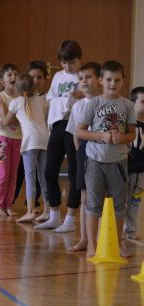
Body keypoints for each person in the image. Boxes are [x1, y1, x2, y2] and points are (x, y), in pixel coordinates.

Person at [75, 60, 136, 259]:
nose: (112, 84)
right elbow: (80, 131)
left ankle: (116, 244)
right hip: (95, 161)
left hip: (119, 162)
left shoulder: (128, 105)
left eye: (117, 80)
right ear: (101, 80)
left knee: (119, 205)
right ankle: (92, 246)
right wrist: (101, 136)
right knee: (93, 204)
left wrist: (122, 138)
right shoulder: (93, 103)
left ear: (123, 81)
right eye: (109, 79)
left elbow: (132, 134)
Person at [38, 40, 84, 231]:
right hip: (58, 124)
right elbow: (50, 99)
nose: (68, 66)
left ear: (79, 59)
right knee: (50, 170)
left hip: (76, 125)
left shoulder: (83, 76)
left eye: (71, 62)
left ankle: (70, 219)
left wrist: (81, 96)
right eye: (64, 62)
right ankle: (54, 215)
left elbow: (92, 98)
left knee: (74, 171)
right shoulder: (58, 76)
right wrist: (64, 101)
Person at [1, 73, 48, 223]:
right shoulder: (41, 100)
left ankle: (30, 211)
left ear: (17, 88)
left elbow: (6, 122)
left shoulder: (15, 102)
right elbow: (43, 117)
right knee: (43, 176)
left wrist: (1, 114)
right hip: (44, 139)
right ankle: (47, 211)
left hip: (30, 141)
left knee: (30, 176)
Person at [66, 62, 101, 252]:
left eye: (88, 77)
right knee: (85, 197)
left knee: (104, 197)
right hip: (85, 152)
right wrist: (80, 153)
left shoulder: (106, 102)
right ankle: (84, 239)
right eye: (81, 78)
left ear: (100, 79)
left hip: (104, 152)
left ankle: (105, 240)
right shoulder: (78, 106)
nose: (84, 81)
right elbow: (75, 134)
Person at [12, 59, 49, 207]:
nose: (35, 81)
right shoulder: (21, 100)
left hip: (37, 141)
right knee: (23, 172)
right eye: (32, 77)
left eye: (39, 77)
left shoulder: (45, 99)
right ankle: (13, 200)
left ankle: (33, 205)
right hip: (27, 140)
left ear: (45, 79)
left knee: (37, 175)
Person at [0, 63, 22, 216]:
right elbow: (5, 120)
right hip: (2, 140)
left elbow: (18, 120)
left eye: (15, 74)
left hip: (18, 139)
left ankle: (8, 205)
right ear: (2, 81)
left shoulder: (22, 98)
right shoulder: (0, 97)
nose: (13, 77)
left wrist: (9, 121)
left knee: (13, 175)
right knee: (3, 174)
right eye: (9, 75)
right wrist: (9, 121)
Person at [124, 86, 144, 240]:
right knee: (122, 201)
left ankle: (130, 230)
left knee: (135, 201)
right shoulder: (127, 124)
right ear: (133, 103)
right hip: (126, 169)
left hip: (141, 173)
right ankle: (117, 228)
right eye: (143, 102)